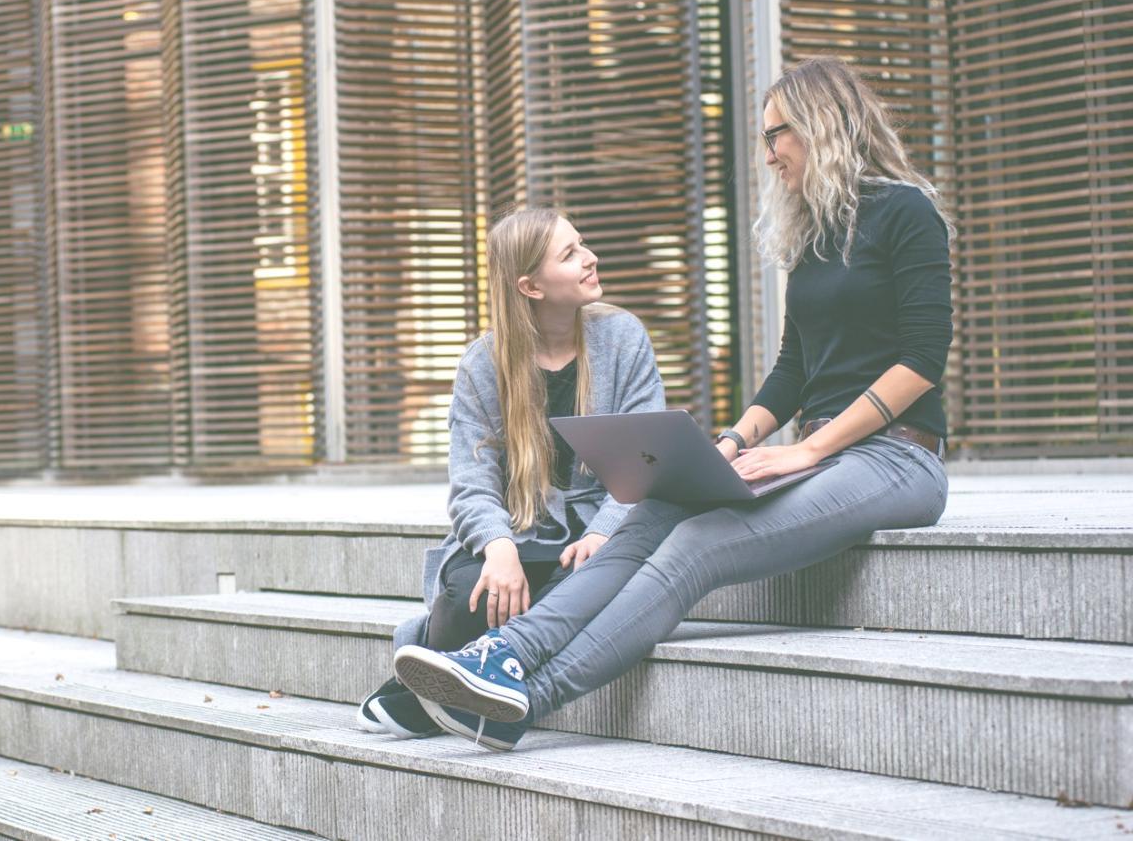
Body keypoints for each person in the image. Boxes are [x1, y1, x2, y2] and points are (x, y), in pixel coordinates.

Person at [393, 56, 953, 751]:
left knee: (695, 545)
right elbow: (792, 371)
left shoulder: (907, 212)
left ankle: (527, 697)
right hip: (821, 457)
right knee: (658, 508)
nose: (768, 149)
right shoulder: (815, 238)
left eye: (777, 132)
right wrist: (727, 445)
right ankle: (504, 654)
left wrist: (809, 447)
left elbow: (923, 360)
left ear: (823, 124)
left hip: (897, 459)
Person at [357, 207, 666, 745]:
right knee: (468, 591)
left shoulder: (622, 336)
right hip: (519, 528)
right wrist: (498, 548)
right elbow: (471, 481)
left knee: (584, 585)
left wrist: (603, 532)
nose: (591, 258)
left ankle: (420, 691)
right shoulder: (483, 362)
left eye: (583, 243)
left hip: (599, 526)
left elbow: (647, 456)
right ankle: (446, 675)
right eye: (570, 254)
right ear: (530, 286)